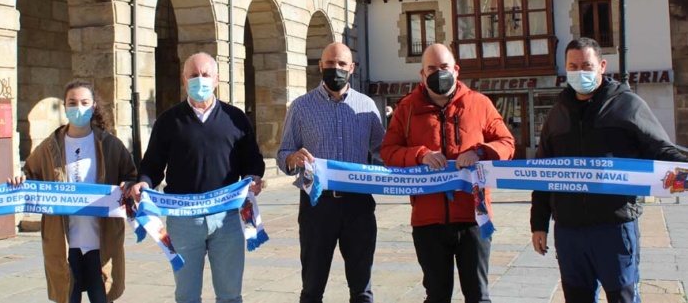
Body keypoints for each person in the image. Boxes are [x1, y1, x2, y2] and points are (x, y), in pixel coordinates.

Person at [530, 37, 688, 303]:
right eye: (573, 66)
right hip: (569, 232)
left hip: (614, 229)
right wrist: (538, 224)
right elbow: (544, 171)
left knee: (623, 298)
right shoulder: (558, 113)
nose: (581, 72)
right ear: (566, 69)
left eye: (587, 65)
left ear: (602, 66)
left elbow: (660, 149)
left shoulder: (627, 105)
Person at [125, 52, 264, 303]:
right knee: (187, 295)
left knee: (230, 294)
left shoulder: (236, 119)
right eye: (194, 75)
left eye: (206, 75)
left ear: (217, 79)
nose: (200, 80)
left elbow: (252, 159)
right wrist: (144, 181)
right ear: (184, 78)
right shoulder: (169, 120)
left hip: (227, 218)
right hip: (183, 219)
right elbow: (152, 163)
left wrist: (255, 176)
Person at [381, 44, 515, 303]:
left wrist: (480, 151)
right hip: (427, 220)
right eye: (432, 68)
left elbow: (507, 144)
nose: (438, 73)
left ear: (455, 70)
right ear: (422, 74)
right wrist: (420, 155)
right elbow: (388, 152)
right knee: (437, 295)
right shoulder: (406, 108)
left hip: (474, 218)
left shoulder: (480, 104)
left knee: (478, 294)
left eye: (443, 67)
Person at [277, 42, 385, 303]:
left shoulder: (367, 107)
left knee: (361, 288)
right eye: (329, 63)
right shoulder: (301, 107)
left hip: (358, 204)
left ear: (351, 68)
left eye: (341, 64)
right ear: (320, 66)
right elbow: (283, 155)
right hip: (317, 204)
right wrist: (294, 157)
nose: (335, 68)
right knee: (312, 287)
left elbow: (383, 151)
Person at [10, 81, 137, 303]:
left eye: (84, 103)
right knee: (68, 296)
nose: (78, 108)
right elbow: (31, 174)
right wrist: (22, 179)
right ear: (65, 106)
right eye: (73, 102)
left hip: (101, 240)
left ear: (93, 106)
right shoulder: (50, 146)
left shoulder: (110, 145)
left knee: (102, 296)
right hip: (64, 241)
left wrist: (128, 186)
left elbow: (131, 176)